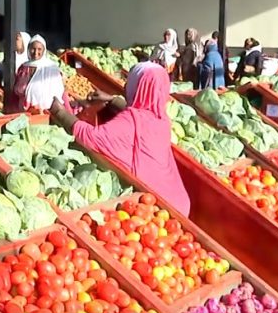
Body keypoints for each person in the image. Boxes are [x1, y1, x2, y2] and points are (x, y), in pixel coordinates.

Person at [49, 62, 191, 216]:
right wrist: (111, 100)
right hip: (179, 202)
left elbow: (91, 137)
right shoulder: (161, 119)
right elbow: (139, 116)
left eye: (130, 82)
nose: (125, 86)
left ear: (138, 88)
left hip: (157, 206)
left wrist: (60, 112)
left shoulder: (130, 121)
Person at [14, 35, 66, 113]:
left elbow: (57, 90)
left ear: (44, 50)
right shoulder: (23, 67)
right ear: (28, 49)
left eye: (39, 49)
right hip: (23, 110)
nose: (36, 52)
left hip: (44, 110)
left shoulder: (50, 67)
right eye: (33, 49)